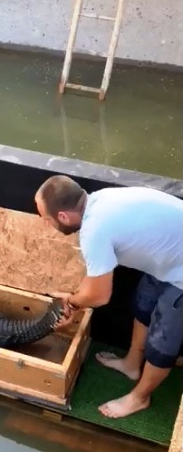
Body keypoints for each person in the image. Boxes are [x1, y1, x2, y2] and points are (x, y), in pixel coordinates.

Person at [34, 175, 183, 419]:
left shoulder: (94, 230)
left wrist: (72, 303)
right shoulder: (100, 200)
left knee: (163, 343)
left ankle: (139, 398)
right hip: (171, 257)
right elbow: (95, 276)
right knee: (143, 305)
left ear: (63, 216)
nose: (45, 224)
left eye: (46, 219)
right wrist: (75, 298)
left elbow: (100, 296)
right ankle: (132, 365)